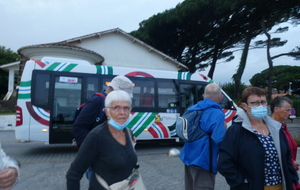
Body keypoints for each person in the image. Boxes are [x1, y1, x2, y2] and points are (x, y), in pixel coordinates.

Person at [218, 87, 299, 190]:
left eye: (263, 102)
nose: (260, 106)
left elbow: (286, 156)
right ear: (245, 106)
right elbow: (224, 163)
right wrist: (241, 184)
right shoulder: (236, 130)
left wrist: (291, 177)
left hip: (279, 186)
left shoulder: (276, 128)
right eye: (255, 103)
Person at [66, 90, 140, 190]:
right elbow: (73, 174)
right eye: (116, 108)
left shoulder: (128, 132)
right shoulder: (96, 136)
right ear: (106, 112)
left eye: (126, 108)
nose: (122, 112)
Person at [179, 83, 226, 190]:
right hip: (204, 159)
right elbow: (219, 138)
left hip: (188, 155)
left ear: (204, 96)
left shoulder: (193, 108)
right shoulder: (216, 113)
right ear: (221, 97)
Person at [72, 75, 134, 148]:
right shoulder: (97, 101)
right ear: (116, 91)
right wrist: (97, 146)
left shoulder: (113, 103)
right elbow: (78, 128)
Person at [271, 96, 300, 190]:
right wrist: (290, 162)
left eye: (291, 111)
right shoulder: (269, 129)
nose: (289, 113)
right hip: (279, 174)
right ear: (276, 109)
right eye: (287, 110)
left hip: (289, 171)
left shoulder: (283, 126)